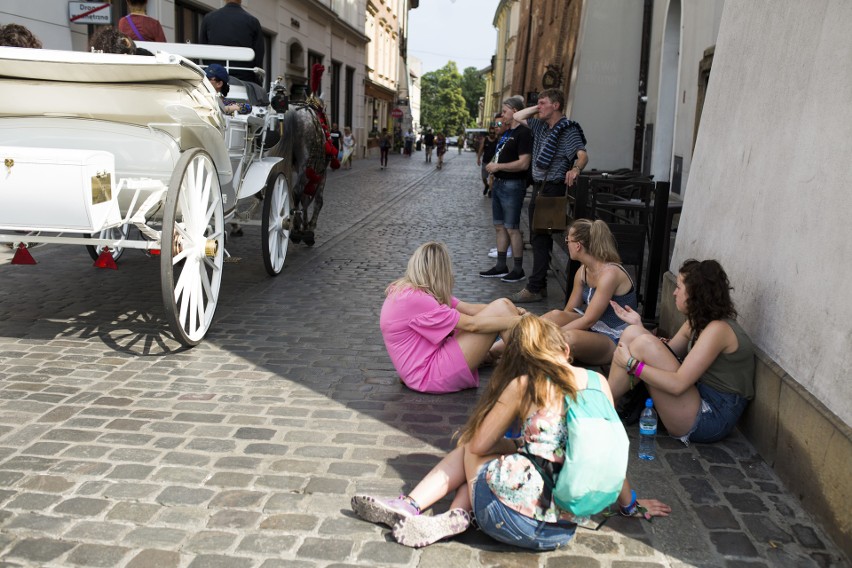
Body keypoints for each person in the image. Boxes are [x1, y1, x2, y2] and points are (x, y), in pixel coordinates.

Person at [353, 315, 671, 548]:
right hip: (561, 532)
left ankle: (420, 507)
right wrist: (631, 505)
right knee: (510, 458)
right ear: (565, 350)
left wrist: (515, 443)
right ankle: (452, 514)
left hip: (508, 521)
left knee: (471, 444)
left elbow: (478, 444)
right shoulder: (599, 384)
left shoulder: (525, 384)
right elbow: (603, 448)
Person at [608, 259, 755, 445]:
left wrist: (631, 364)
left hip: (710, 416)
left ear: (695, 294)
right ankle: (607, 403)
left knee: (642, 343)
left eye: (679, 287)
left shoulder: (718, 330)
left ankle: (603, 406)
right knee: (632, 333)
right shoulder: (698, 321)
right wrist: (638, 325)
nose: (674, 292)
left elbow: (678, 384)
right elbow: (666, 351)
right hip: (696, 393)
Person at [379, 242, 525, 394]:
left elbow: (470, 309)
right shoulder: (417, 299)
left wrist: (511, 309)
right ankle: (528, 372)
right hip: (429, 374)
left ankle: (524, 368)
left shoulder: (412, 291)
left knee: (503, 306)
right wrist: (516, 320)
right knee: (502, 308)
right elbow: (472, 325)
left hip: (422, 370)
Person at [509, 89, 589, 303]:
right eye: (538, 104)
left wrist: (576, 169)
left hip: (552, 189)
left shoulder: (567, 130)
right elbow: (517, 116)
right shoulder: (540, 125)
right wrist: (539, 107)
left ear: (556, 105)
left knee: (540, 238)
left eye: (544, 103)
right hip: (538, 188)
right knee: (538, 238)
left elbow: (582, 155)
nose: (539, 107)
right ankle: (539, 285)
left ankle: (535, 287)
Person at [539, 219, 638, 365]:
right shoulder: (583, 271)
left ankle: (526, 355)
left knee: (567, 339)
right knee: (555, 315)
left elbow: (588, 320)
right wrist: (551, 326)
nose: (567, 244)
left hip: (615, 337)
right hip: (593, 328)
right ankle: (508, 347)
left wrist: (553, 334)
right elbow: (569, 311)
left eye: (568, 240)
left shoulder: (610, 273)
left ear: (578, 245)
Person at [479, 96, 533, 285]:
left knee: (512, 228)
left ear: (516, 111)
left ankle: (518, 269)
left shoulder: (523, 133)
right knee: (500, 226)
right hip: (500, 184)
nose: (502, 115)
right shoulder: (507, 133)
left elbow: (524, 163)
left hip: (513, 185)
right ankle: (501, 266)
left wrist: (499, 167)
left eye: (505, 111)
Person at [200, 0, 264, 84]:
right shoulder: (253, 21)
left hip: (214, 77)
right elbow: (259, 56)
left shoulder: (208, 18)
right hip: (244, 79)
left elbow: (203, 50)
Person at [476, 116, 500, 196]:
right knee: (483, 177)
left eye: (493, 133)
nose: (492, 134)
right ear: (489, 132)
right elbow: (480, 149)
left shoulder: (497, 140)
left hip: (493, 162)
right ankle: (486, 185)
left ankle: (490, 191)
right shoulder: (485, 139)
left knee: (492, 177)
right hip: (485, 161)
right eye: (491, 133)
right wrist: (478, 158)